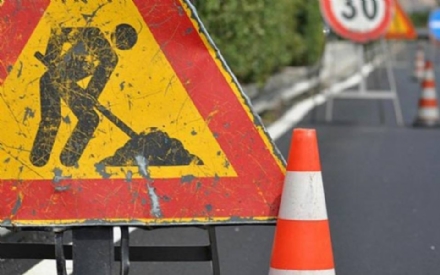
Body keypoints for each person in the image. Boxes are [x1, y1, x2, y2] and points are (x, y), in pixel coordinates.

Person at [30, 24, 137, 167]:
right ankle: (39, 155)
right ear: (114, 31)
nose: (117, 43)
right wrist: (52, 58)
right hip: (51, 78)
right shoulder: (92, 33)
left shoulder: (111, 58)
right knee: (52, 117)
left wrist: (89, 98)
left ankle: (68, 156)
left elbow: (96, 86)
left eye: (123, 43)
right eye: (120, 38)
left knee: (90, 118)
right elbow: (58, 31)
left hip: (70, 87)